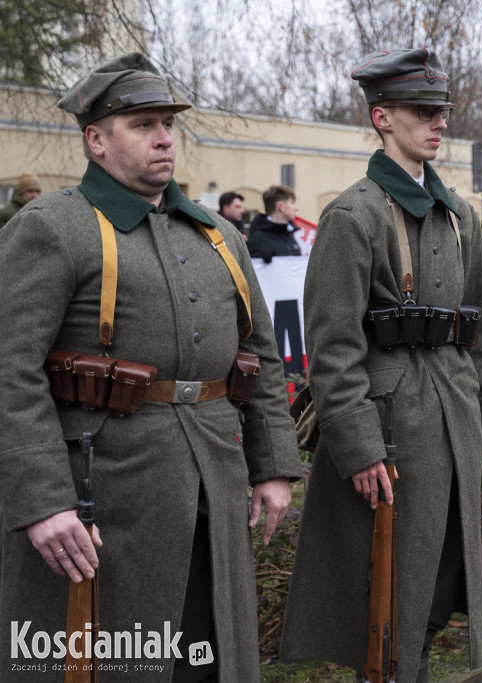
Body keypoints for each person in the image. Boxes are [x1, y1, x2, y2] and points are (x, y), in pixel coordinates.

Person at [0, 52, 302, 681]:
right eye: (142, 124)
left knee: (207, 659)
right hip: (102, 503)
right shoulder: (52, 229)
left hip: (212, 492)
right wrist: (43, 502)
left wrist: (272, 467)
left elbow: (262, 358)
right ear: (96, 140)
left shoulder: (219, 235)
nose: (164, 137)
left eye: (167, 122)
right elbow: (10, 370)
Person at [279, 48, 482, 683]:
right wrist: (357, 449)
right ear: (382, 117)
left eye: (442, 112)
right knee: (385, 596)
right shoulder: (354, 216)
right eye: (422, 112)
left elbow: (480, 327)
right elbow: (332, 350)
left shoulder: (460, 214)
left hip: (454, 415)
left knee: (439, 580)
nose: (438, 123)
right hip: (390, 430)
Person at [246, 185, 301, 262]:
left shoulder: (290, 235)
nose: (296, 208)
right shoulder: (257, 239)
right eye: (292, 203)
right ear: (281, 206)